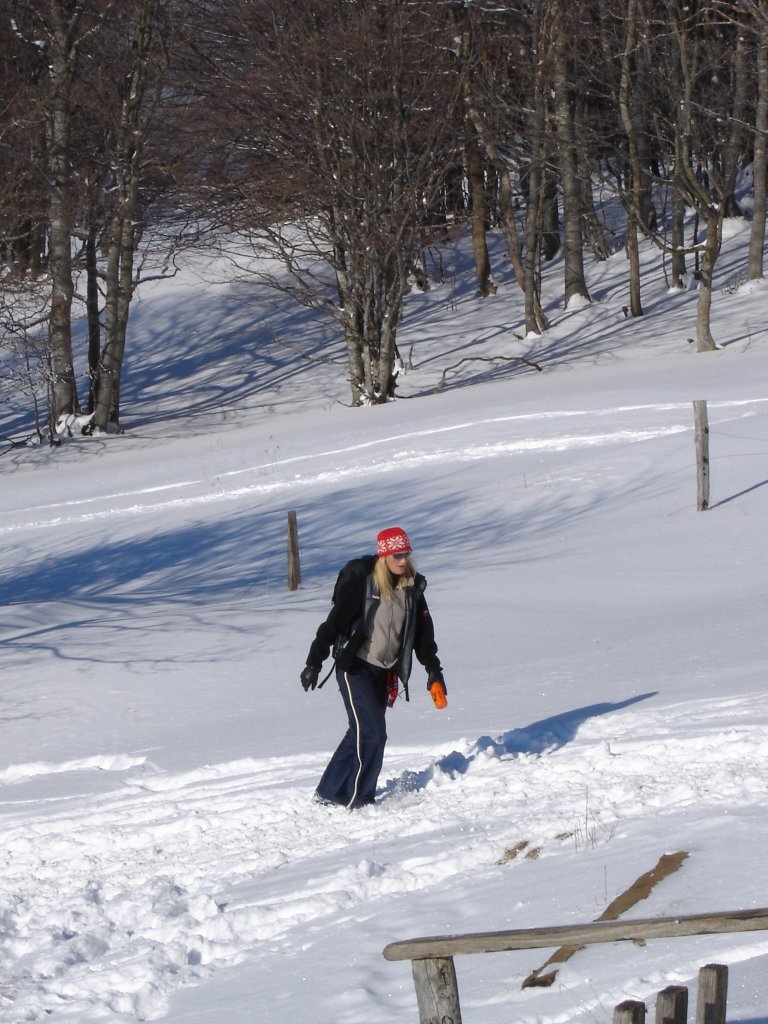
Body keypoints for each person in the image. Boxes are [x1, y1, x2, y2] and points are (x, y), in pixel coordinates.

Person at [300, 526, 447, 810]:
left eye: (406, 554)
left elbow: (423, 636)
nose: (402, 560)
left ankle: (329, 792)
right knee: (372, 733)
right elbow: (333, 624)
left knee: (361, 730)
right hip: (355, 667)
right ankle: (361, 799)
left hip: (384, 671)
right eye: (397, 555)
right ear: (384, 556)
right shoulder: (364, 583)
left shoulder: (412, 587)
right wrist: (313, 662)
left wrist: (433, 671)